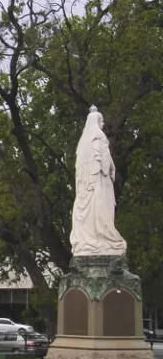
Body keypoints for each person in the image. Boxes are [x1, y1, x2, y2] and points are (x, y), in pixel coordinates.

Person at [70, 106, 127, 256]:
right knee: (102, 208)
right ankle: (104, 239)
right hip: (99, 183)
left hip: (86, 186)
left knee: (90, 211)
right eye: (102, 121)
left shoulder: (82, 143)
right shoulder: (100, 137)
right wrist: (112, 169)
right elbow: (105, 162)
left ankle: (88, 239)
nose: (103, 124)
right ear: (97, 122)